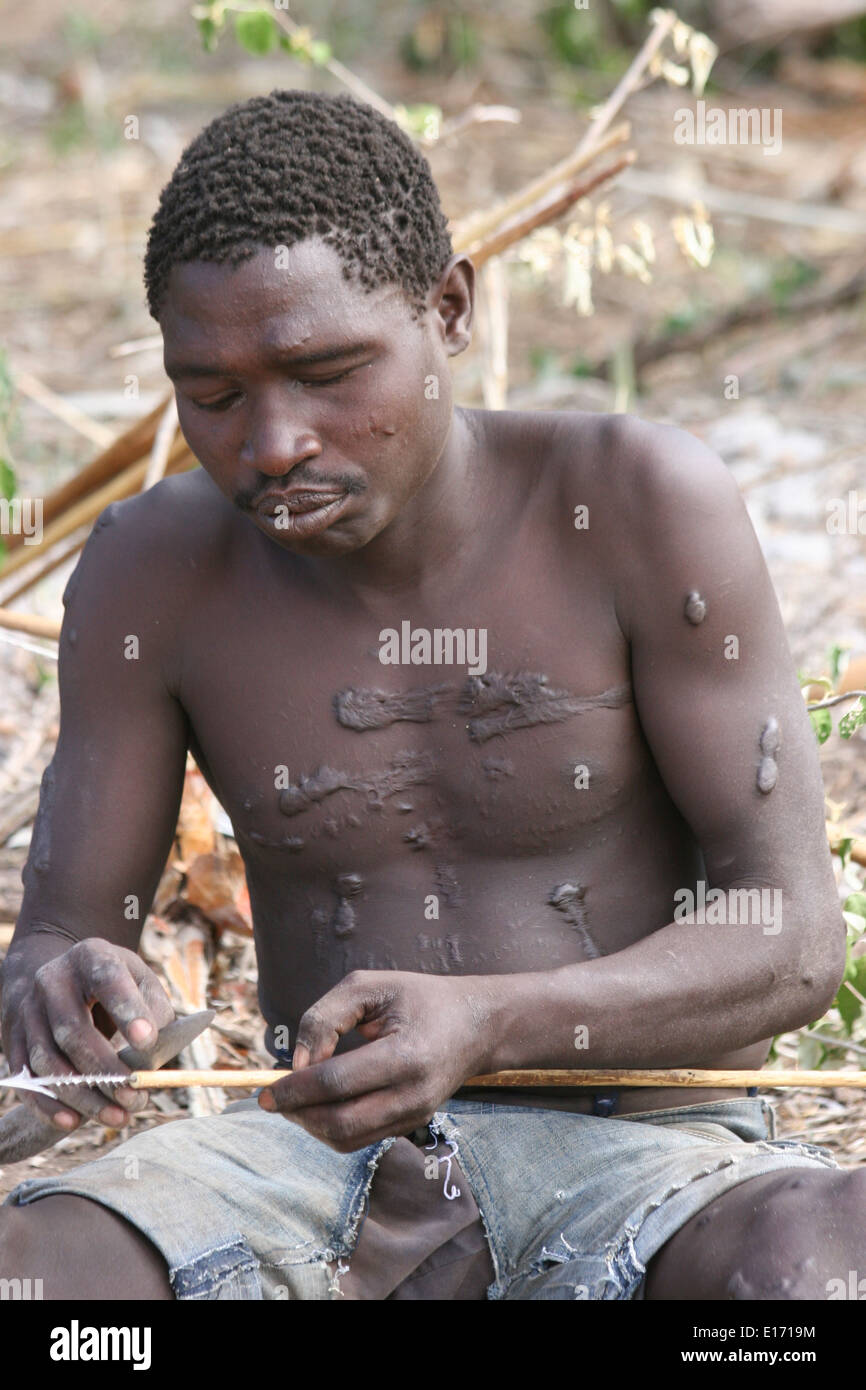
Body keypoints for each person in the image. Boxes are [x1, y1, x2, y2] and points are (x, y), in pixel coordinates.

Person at [0, 89, 856, 1301]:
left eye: (326, 370)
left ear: (448, 309)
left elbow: (790, 939)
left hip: (650, 1162)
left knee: (818, 1272)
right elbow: (61, 930)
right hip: (306, 1168)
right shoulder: (153, 568)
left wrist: (487, 1021)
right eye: (214, 394)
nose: (274, 442)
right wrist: (56, 997)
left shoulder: (631, 501)